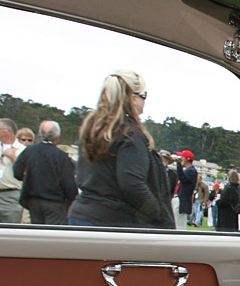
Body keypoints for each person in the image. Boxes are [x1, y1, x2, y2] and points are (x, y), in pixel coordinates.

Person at [67, 70, 173, 228]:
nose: (145, 102)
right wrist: (158, 214)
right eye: (144, 96)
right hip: (112, 221)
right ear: (133, 97)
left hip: (82, 213)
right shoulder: (130, 135)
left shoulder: (92, 129)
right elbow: (132, 184)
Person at [12, 120, 78, 224]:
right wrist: (72, 200)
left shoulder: (29, 151)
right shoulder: (61, 156)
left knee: (37, 235)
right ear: (57, 136)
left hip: (33, 202)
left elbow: (17, 172)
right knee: (53, 236)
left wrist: (32, 180)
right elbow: (68, 183)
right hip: (55, 203)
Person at [0, 117, 27, 223]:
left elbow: (25, 172)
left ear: (7, 131)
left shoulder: (23, 150)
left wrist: (12, 157)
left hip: (11, 195)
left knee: (9, 229)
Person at [174, 149, 197, 230]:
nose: (181, 159)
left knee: (180, 224)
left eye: (182, 157)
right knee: (178, 222)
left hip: (183, 200)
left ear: (186, 159)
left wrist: (179, 165)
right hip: (181, 198)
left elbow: (183, 178)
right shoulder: (189, 170)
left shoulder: (191, 171)